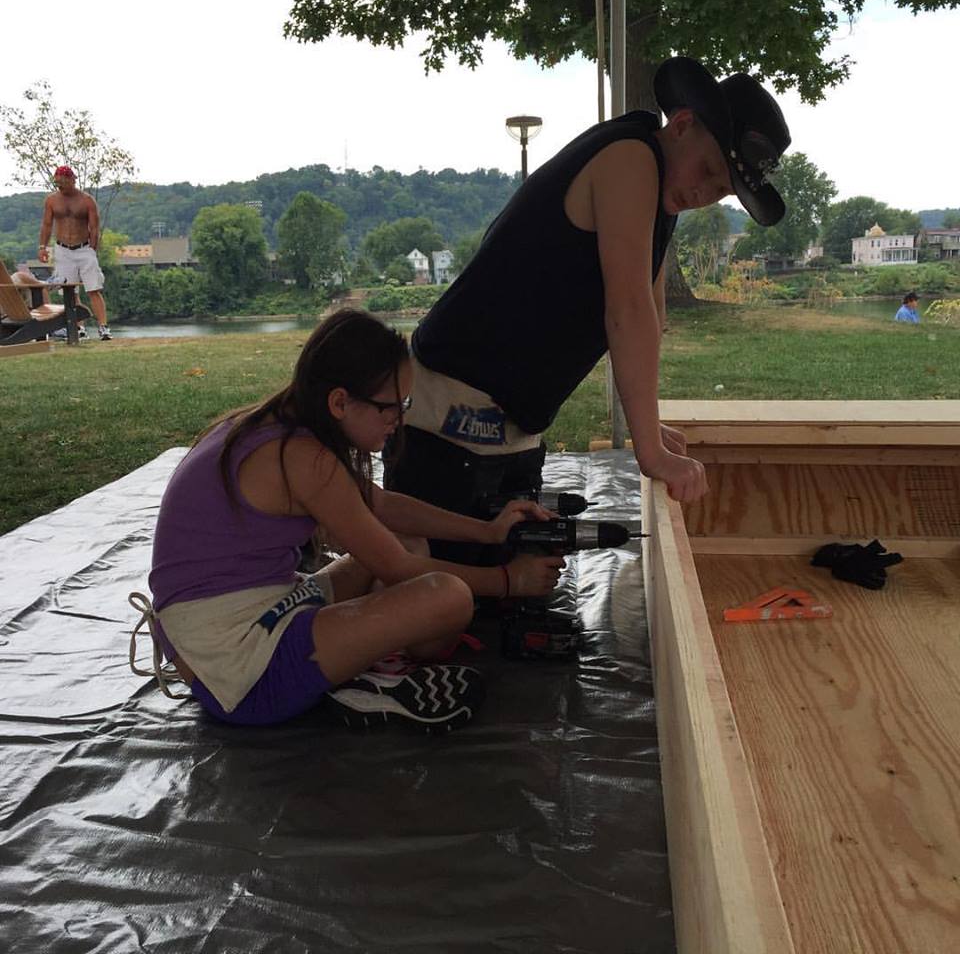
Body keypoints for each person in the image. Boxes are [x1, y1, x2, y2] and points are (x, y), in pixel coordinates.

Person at [384, 56, 792, 562]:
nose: (703, 194)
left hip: (513, 422)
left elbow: (651, 314)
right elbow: (627, 312)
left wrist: (647, 422)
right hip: (454, 407)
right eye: (709, 171)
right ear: (683, 124)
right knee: (435, 595)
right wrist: (651, 452)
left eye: (721, 191)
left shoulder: (662, 195)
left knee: (503, 589)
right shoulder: (630, 159)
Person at [131, 309, 564, 731]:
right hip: (242, 668)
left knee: (411, 544)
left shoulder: (279, 426)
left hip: (246, 618)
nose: (399, 421)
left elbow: (379, 504)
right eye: (389, 409)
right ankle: (370, 683)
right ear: (340, 401)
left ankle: (362, 662)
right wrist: (510, 580)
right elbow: (394, 567)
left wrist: (485, 531)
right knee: (448, 597)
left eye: (404, 405)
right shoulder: (304, 457)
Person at [37, 166, 112, 340]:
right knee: (70, 291)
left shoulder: (87, 201)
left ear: (72, 180)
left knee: (93, 288)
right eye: (57, 183)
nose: (60, 186)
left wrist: (93, 248)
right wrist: (42, 247)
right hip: (63, 249)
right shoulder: (51, 201)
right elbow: (47, 225)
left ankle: (103, 327)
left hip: (84, 248)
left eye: (63, 182)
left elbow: (94, 227)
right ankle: (79, 328)